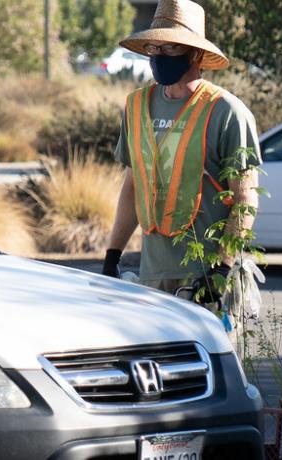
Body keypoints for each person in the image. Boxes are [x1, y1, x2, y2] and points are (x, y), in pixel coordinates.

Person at [101, 0, 262, 298]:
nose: (160, 56)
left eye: (171, 48)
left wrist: (222, 269)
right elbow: (133, 185)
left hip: (207, 276)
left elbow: (245, 199)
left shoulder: (226, 112)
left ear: (196, 54)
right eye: (154, 48)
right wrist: (113, 255)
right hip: (152, 278)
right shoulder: (136, 107)